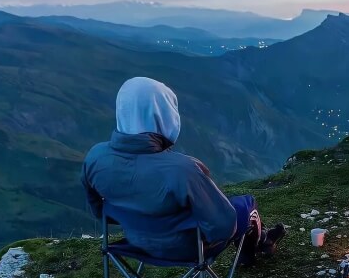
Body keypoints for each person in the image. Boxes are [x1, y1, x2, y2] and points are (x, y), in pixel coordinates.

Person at [81, 76, 286, 265]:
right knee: (246, 204)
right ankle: (258, 245)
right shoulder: (183, 169)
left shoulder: (95, 157)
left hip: (136, 242)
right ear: (162, 115)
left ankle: (261, 242)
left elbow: (100, 211)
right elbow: (223, 227)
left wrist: (139, 221)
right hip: (187, 248)